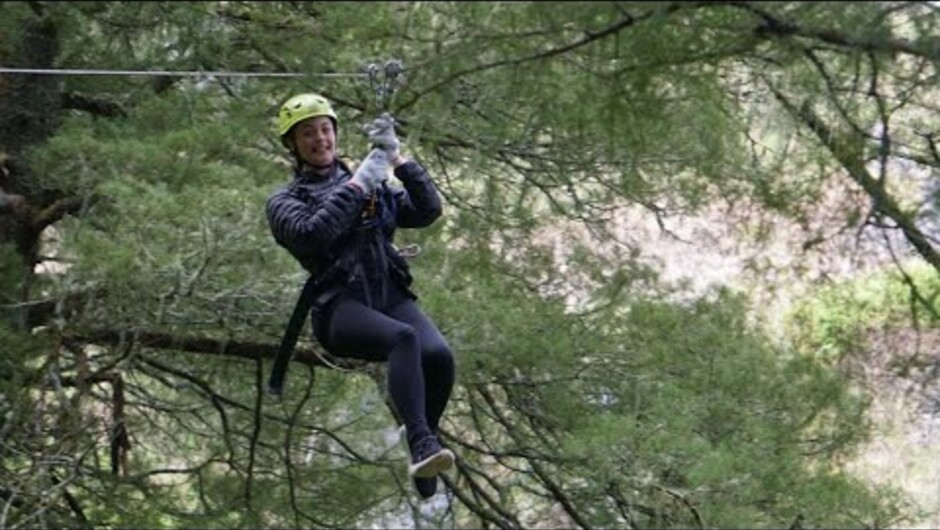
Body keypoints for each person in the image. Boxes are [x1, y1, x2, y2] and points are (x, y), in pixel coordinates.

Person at [265, 93, 456, 499]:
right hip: (340, 306)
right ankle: (421, 441)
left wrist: (399, 160)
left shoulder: (372, 184)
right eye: (307, 134)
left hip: (387, 290)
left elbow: (427, 211)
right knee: (403, 338)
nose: (320, 139)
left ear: (334, 133)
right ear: (293, 146)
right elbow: (313, 234)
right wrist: (359, 183)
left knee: (438, 356)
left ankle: (424, 437)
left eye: (324, 130)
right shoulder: (284, 202)